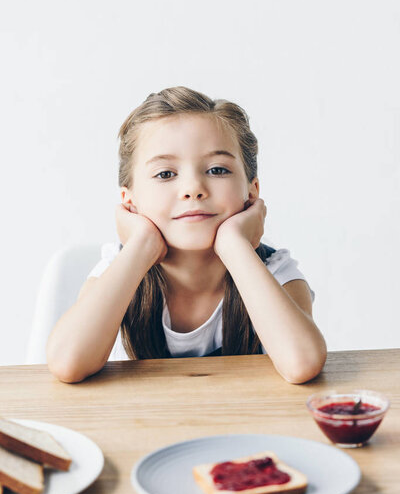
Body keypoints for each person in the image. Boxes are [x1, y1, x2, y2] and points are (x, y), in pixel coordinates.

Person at [47, 86, 327, 384]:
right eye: (165, 174)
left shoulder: (275, 271)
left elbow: (302, 364)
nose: (193, 188)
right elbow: (67, 364)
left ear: (251, 191)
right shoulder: (118, 269)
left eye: (217, 170)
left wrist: (235, 245)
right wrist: (141, 245)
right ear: (130, 201)